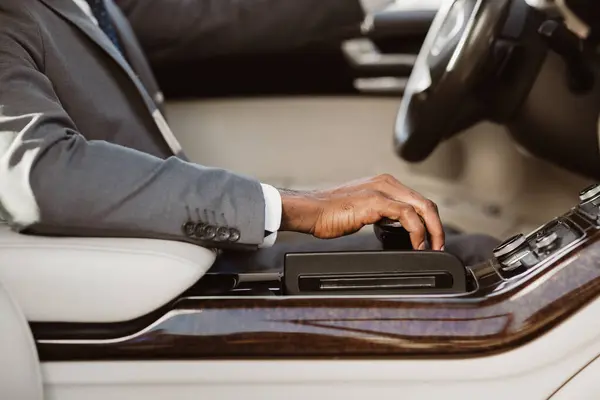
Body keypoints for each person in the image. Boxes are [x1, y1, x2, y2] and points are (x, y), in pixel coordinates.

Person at [0, 0, 499, 275]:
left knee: (448, 239)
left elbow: (211, 16)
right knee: (473, 258)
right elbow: (41, 176)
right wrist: (298, 208)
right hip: (161, 279)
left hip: (183, 249)